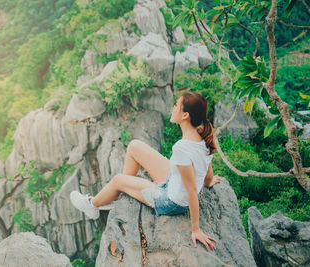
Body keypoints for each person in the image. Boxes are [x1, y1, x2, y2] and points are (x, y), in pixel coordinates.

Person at [70, 91, 221, 252]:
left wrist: (195, 229)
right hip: (172, 182)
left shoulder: (182, 149)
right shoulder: (204, 133)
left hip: (170, 201)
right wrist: (209, 181)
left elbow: (191, 190)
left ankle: (92, 206)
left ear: (185, 115)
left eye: (176, 105)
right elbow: (206, 166)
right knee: (135, 146)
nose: (172, 107)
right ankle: (121, 193)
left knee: (117, 180)